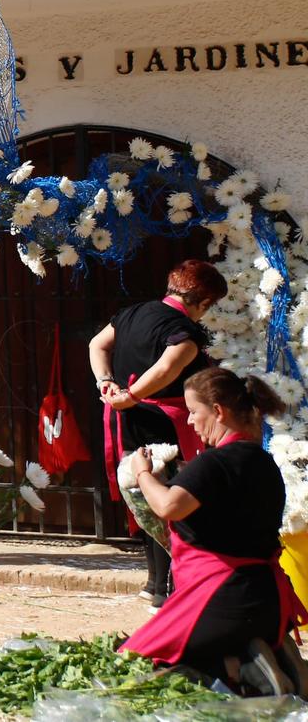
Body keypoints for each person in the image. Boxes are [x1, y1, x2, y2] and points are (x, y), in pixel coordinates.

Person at [125, 367, 307, 693]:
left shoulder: (215, 463)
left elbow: (168, 506)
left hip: (222, 601)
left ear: (218, 412)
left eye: (194, 411)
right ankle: (274, 656)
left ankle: (243, 668)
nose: (191, 421)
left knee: (139, 661)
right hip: (268, 604)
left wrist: (142, 474)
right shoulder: (265, 466)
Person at [90, 259, 228, 606]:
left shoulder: (131, 313)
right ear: (204, 301)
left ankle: (154, 582)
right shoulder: (186, 330)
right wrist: (130, 395)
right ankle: (169, 588)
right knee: (170, 498)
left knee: (143, 493)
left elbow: (97, 345)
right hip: (165, 422)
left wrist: (107, 383)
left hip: (129, 418)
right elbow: (168, 368)